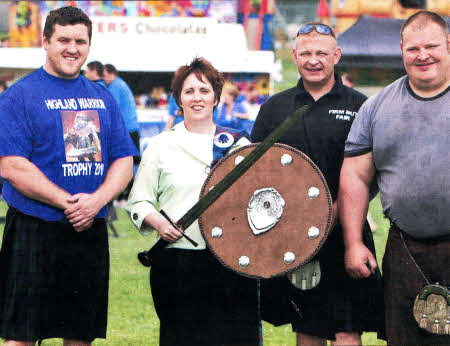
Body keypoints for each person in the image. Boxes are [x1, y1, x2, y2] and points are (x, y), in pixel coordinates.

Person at [0, 6, 137, 344]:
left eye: (80, 41)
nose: (72, 48)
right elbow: (12, 165)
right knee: (22, 335)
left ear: (89, 46)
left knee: (80, 334)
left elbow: (123, 160)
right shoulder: (19, 95)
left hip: (86, 230)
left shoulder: (102, 96)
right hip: (34, 227)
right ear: (45, 42)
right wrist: (69, 202)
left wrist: (96, 203)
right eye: (63, 39)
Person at [251, 22, 384, 345]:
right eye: (306, 53)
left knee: (347, 332)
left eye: (322, 53)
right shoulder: (274, 108)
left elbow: (373, 172)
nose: (314, 60)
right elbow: (256, 172)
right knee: (307, 328)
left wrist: (338, 212)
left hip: (346, 233)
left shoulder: (360, 106)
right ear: (294, 56)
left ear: (336, 55)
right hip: (294, 237)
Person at [126, 57, 259, 346]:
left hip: (232, 261)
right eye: (189, 91)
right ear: (178, 99)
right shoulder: (161, 145)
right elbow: (139, 201)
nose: (197, 98)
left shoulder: (239, 145)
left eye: (204, 90)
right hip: (178, 263)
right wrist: (159, 223)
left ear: (215, 98)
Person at [339, 11, 449, 345]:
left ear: (449, 44)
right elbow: (355, 177)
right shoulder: (376, 108)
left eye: (431, 46)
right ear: (401, 48)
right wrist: (354, 243)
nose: (422, 55)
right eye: (413, 48)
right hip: (405, 249)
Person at [103, 63, 140, 162]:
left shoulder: (115, 86)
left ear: (112, 74)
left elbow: (110, 107)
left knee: (124, 162)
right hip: (132, 128)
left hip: (126, 130)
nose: (104, 79)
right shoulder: (121, 83)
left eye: (105, 76)